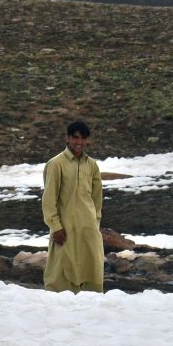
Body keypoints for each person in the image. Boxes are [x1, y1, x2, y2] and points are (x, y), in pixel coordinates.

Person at [42, 120, 105, 293]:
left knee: (91, 269)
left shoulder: (91, 165)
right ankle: (60, 312)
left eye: (83, 138)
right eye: (75, 137)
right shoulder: (56, 164)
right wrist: (55, 227)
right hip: (65, 229)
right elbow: (49, 200)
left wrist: (95, 223)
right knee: (60, 273)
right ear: (67, 138)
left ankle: (90, 311)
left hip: (88, 228)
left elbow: (96, 198)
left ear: (87, 140)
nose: (79, 142)